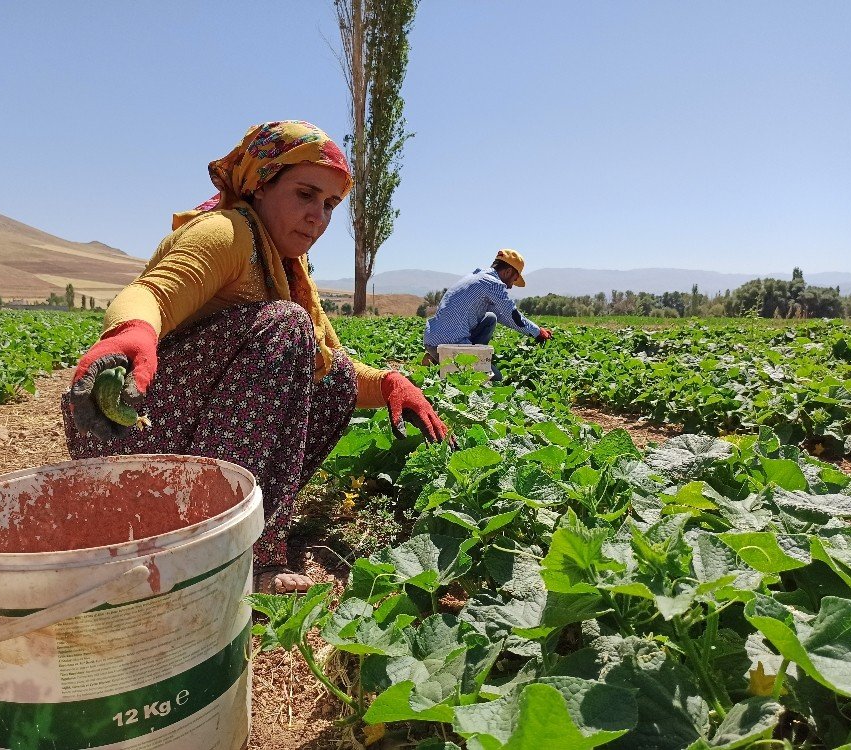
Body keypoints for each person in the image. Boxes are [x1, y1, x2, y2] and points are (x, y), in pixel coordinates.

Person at [62, 120, 449, 595]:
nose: (318, 217)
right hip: (128, 429)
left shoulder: (288, 264)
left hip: (185, 433)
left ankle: (233, 525)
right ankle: (228, 549)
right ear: (260, 185)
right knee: (287, 327)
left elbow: (329, 359)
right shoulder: (228, 232)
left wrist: (389, 382)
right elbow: (152, 293)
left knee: (335, 378)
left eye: (329, 205)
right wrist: (133, 333)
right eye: (305, 194)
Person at [423, 249, 552, 381]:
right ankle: (443, 368)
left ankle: (437, 359)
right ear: (507, 272)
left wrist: (535, 330)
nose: (511, 286)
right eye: (513, 280)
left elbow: (503, 315)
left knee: (490, 318)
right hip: (450, 344)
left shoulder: (476, 277)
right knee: (495, 378)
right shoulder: (493, 284)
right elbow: (512, 315)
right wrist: (537, 333)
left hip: (432, 339)